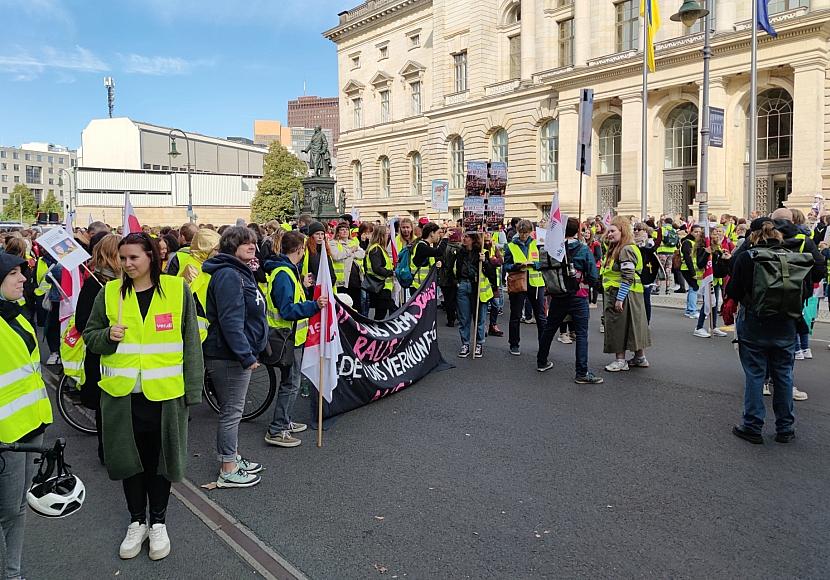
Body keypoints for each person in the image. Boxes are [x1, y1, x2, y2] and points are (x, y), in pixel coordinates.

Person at [83, 232, 203, 561]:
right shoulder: (108, 293)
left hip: (164, 397)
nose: (127, 264)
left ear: (151, 256)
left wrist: (193, 391)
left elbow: (191, 343)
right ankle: (137, 521)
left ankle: (159, 522)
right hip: (122, 398)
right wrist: (107, 335)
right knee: (130, 464)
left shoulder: (177, 291)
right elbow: (89, 337)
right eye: (123, 258)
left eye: (134, 257)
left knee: (159, 463)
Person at [0, 253, 53, 580]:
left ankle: (12, 573)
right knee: (8, 510)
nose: (23, 279)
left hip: (31, 425)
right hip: (5, 434)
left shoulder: (17, 315)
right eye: (14, 274)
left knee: (17, 508)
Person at [202, 227, 268, 487]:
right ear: (231, 245)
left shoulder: (238, 271)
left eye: (253, 242)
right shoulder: (230, 274)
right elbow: (231, 321)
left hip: (232, 353)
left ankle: (232, 456)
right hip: (228, 355)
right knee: (232, 412)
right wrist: (245, 354)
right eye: (245, 243)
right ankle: (228, 467)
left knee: (233, 410)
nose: (252, 246)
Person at [727, 219, 800, 444]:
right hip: (786, 322)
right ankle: (785, 428)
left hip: (754, 322)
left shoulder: (747, 257)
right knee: (784, 375)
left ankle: (752, 425)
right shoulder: (793, 256)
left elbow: (733, 290)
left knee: (756, 374)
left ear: (753, 234)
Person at [263, 231, 327, 447]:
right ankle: (278, 428)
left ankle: (285, 421)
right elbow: (287, 309)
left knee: (291, 382)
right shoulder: (283, 273)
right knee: (291, 384)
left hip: (289, 336)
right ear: (299, 249)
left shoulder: (286, 271)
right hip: (285, 336)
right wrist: (314, 306)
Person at [73, 234, 122, 463]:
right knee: (106, 407)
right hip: (100, 356)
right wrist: (107, 331)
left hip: (123, 359)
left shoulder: (124, 283)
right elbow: (82, 322)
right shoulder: (95, 282)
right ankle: (107, 452)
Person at [537, 218, 604, 384]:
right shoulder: (582, 249)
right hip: (578, 295)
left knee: (550, 328)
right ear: (577, 231)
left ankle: (541, 361)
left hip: (557, 294)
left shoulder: (551, 249)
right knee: (581, 333)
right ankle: (581, 372)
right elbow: (593, 275)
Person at [601, 217, 651, 372]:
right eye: (608, 231)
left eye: (612, 231)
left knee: (618, 327)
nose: (609, 234)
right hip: (632, 293)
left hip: (622, 293)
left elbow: (627, 276)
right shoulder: (625, 247)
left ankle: (620, 360)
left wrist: (619, 298)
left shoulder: (625, 249)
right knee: (634, 326)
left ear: (622, 231)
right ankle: (640, 357)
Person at [504, 219, 546, 356]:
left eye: (526, 233)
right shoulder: (510, 246)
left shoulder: (538, 244)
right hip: (518, 282)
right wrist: (515, 266)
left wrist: (534, 264)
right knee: (515, 315)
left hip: (536, 283)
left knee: (540, 316)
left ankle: (544, 344)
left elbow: (544, 263)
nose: (523, 236)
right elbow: (505, 266)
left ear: (531, 232)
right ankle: (514, 344)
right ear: (517, 231)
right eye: (521, 233)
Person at [454, 233, 496, 358]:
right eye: (464, 236)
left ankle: (479, 343)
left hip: (478, 288)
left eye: (466, 236)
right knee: (464, 318)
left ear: (473, 239)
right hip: (463, 285)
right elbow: (455, 269)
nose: (463, 238)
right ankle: (465, 344)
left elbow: (491, 273)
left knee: (479, 319)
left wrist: (485, 262)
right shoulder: (460, 252)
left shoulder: (483, 252)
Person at [693, 225, 731, 338]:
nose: (717, 235)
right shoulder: (702, 248)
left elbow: (718, 263)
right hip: (707, 280)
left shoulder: (717, 246)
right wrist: (706, 253)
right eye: (714, 233)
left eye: (718, 233)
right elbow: (700, 264)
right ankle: (699, 327)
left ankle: (713, 326)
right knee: (707, 304)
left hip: (716, 280)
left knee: (714, 304)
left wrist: (724, 257)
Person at [364, 225, 395, 320]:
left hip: (382, 286)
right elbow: (377, 268)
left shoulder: (378, 248)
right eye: (387, 234)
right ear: (381, 235)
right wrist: (391, 273)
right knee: (381, 312)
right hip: (380, 286)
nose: (388, 236)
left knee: (383, 311)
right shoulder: (376, 249)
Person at [411, 222, 448, 290]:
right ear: (432, 233)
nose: (439, 236)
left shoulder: (425, 245)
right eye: (438, 233)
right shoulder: (421, 246)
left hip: (423, 286)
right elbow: (439, 252)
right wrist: (445, 238)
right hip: (418, 288)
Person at [438, 228, 461, 327]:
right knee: (456, 299)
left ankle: (450, 319)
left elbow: (438, 259)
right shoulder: (461, 248)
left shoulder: (443, 247)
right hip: (457, 278)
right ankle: (458, 315)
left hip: (445, 277)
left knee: (448, 300)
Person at [680, 225, 703, 318]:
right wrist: (693, 273)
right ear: (691, 232)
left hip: (692, 269)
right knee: (694, 288)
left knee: (692, 288)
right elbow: (687, 258)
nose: (698, 234)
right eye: (696, 232)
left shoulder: (694, 242)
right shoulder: (687, 242)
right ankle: (692, 310)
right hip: (687, 269)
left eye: (699, 232)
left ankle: (689, 310)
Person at [655, 217, 680, 294]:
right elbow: (677, 242)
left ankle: (657, 288)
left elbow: (658, 241)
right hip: (671, 252)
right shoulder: (674, 230)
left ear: (665, 222)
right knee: (668, 269)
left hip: (662, 252)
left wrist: (655, 248)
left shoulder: (662, 229)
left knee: (660, 269)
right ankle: (667, 289)